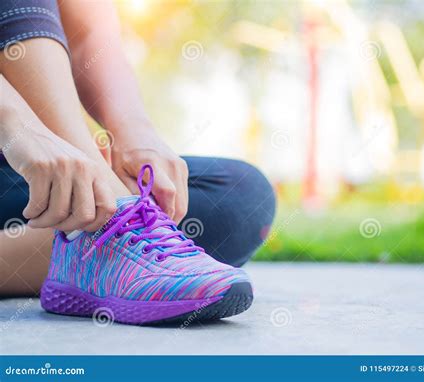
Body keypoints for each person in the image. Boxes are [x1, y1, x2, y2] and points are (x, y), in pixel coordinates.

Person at [0, 0, 275, 323]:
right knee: (125, 211)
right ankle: (105, 226)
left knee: (237, 196)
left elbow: (89, 35)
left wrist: (135, 132)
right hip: (17, 148)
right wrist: (16, 126)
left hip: (26, 183)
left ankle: (93, 238)